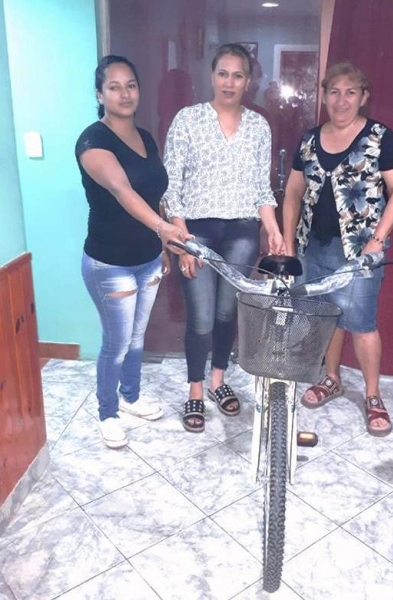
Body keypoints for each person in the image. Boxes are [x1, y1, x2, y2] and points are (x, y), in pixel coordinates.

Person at [282, 61, 393, 436]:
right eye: (334, 92)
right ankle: (332, 378)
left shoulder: (379, 137)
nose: (341, 100)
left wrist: (377, 240)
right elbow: (293, 193)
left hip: (359, 250)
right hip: (313, 244)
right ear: (323, 96)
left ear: (363, 97)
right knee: (326, 316)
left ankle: (373, 396)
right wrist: (289, 242)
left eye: (350, 92)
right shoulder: (309, 140)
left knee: (362, 323)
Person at [163, 43, 285, 433]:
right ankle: (195, 390)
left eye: (238, 75)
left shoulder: (259, 126)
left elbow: (261, 189)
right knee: (200, 317)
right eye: (222, 73)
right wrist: (182, 239)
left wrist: (273, 229)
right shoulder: (188, 120)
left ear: (248, 81)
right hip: (196, 231)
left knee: (226, 313)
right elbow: (171, 186)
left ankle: (218, 380)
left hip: (241, 232)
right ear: (211, 75)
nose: (229, 82)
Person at [75, 55, 189, 449]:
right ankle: (107, 413)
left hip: (148, 258)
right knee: (117, 341)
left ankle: (131, 396)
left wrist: (163, 246)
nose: (124, 94)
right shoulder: (92, 142)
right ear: (99, 94)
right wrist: (165, 229)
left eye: (131, 85)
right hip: (110, 263)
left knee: (137, 336)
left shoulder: (145, 137)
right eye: (114, 87)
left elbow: (154, 194)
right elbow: (122, 190)